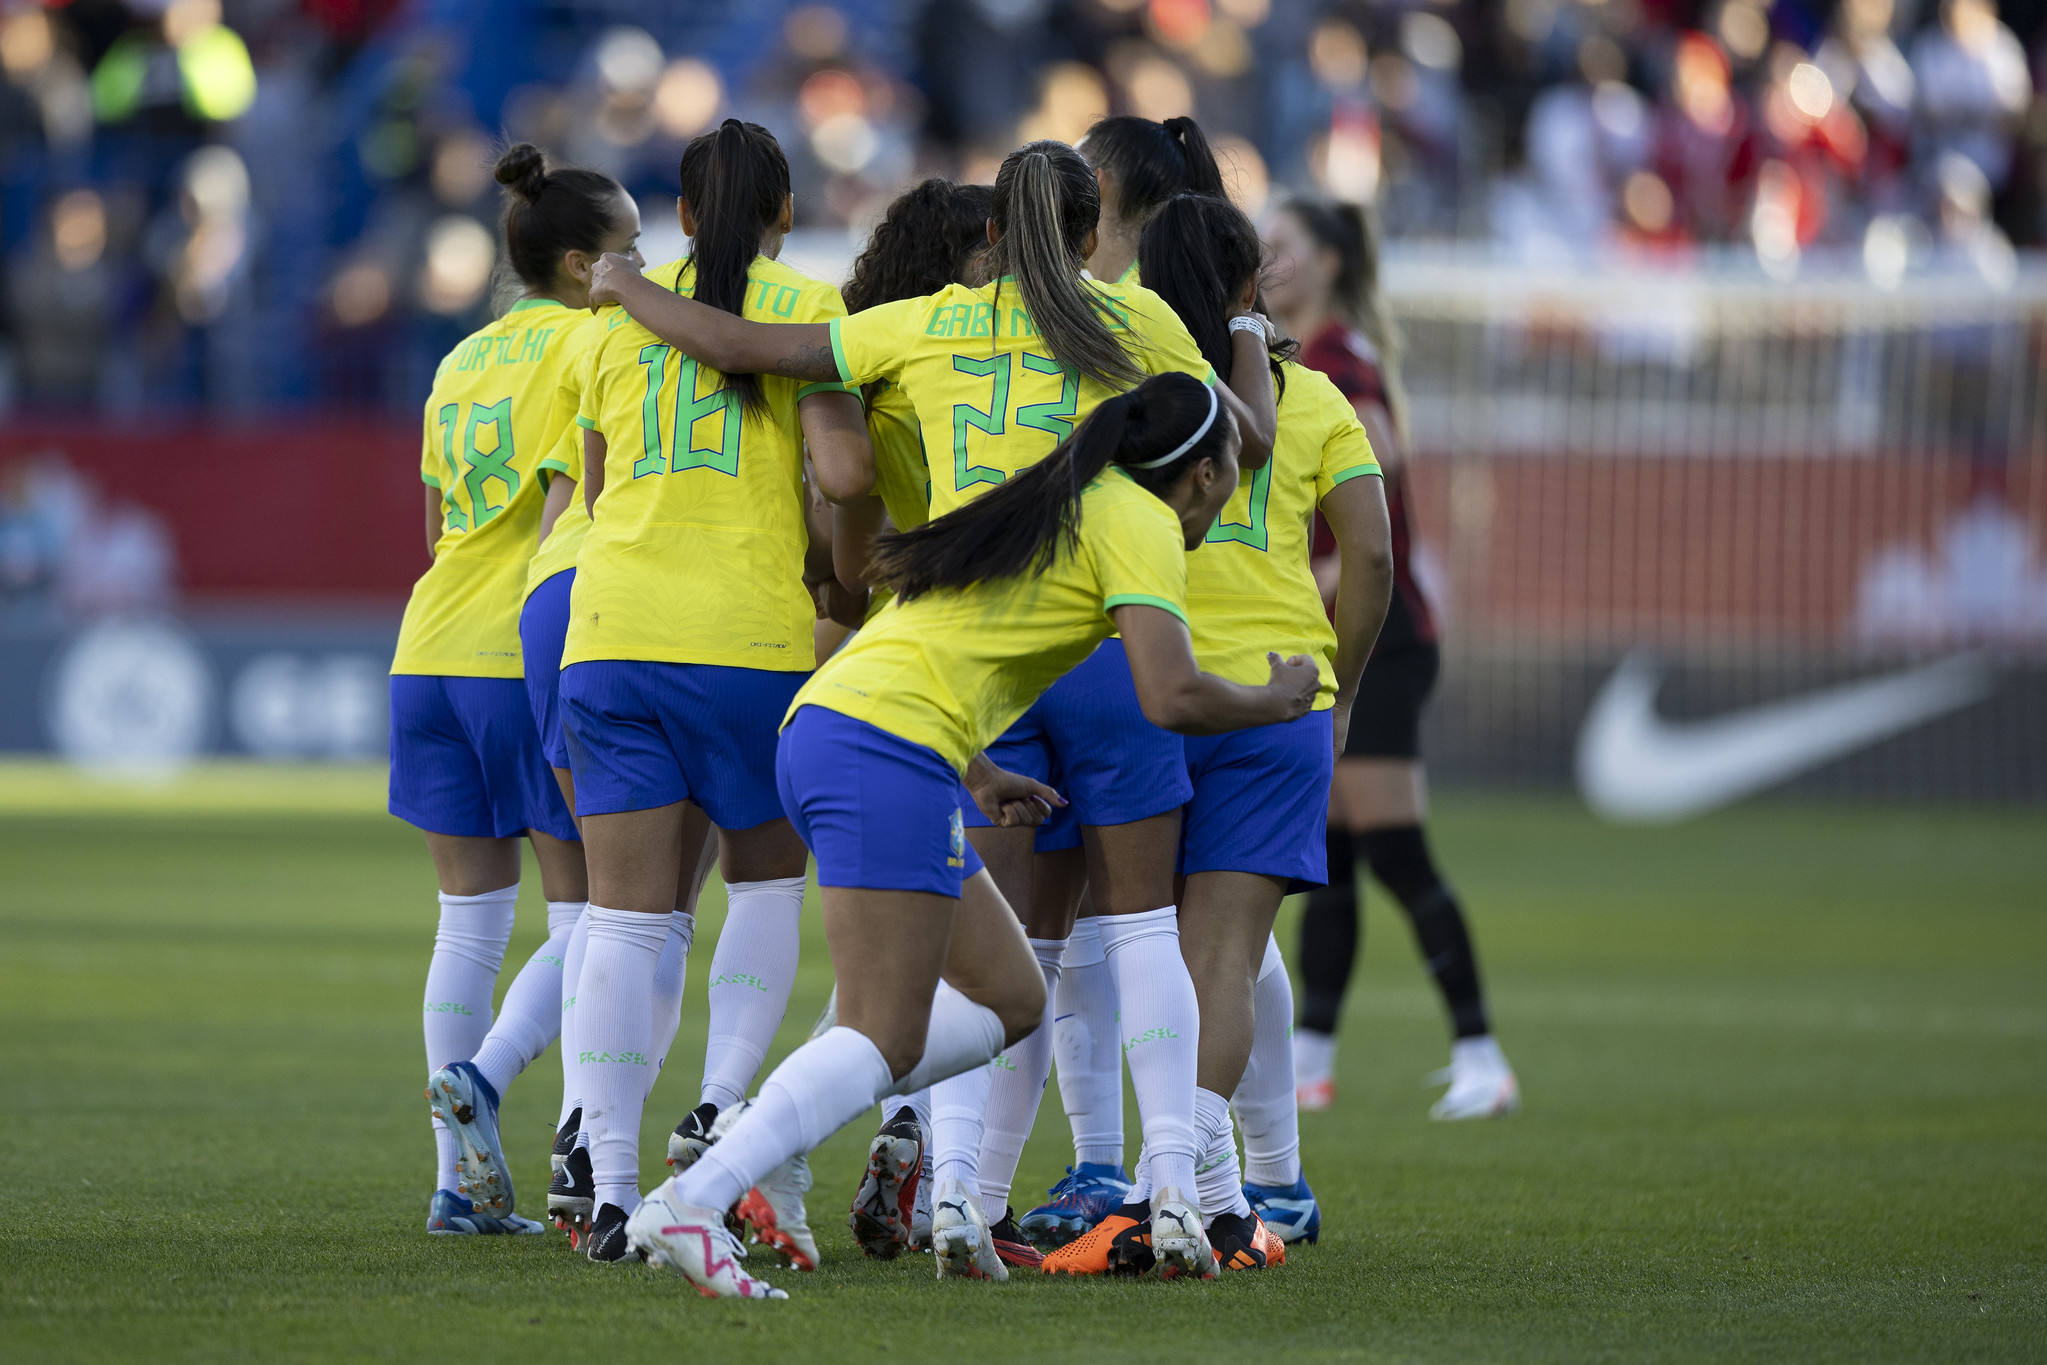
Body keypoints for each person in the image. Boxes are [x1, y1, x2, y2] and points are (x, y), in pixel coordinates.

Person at [588, 138, 1279, 1276]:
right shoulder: (1132, 389)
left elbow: (747, 348)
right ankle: (1176, 1187)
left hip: (923, 672)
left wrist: (628, 288)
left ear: (995, 234)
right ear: (1092, 234)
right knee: (1123, 930)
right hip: (1049, 661)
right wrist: (1246, 335)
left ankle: (937, 1180)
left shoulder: (919, 327)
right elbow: (1239, 443)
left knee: (1009, 991)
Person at [1039, 192, 1391, 1274]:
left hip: (1143, 682)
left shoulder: (1120, 386)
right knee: (1226, 959)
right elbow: (1372, 561)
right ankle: (1188, 1190)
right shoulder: (1316, 395)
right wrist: (1341, 694)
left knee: (1114, 947)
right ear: (1248, 289)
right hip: (1278, 695)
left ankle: (1120, 1176)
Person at [556, 119, 873, 1264]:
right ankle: (724, 1100)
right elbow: (840, 479)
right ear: (785, 211)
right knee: (766, 888)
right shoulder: (811, 304)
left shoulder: (607, 325)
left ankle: (610, 1187)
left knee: (623, 923)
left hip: (612, 631)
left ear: (682, 217)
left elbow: (594, 495)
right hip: (747, 639)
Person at [392, 144, 633, 1236]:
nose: (645, 267)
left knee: (468, 921)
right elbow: (563, 513)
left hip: (426, 650)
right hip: (516, 653)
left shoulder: (462, 359)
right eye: (628, 249)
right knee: (596, 909)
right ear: (583, 265)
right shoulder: (590, 341)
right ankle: (520, 1102)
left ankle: (457, 1184)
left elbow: (439, 528)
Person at [1263, 197, 1519, 1121]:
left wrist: (1295, 574)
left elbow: (1374, 509)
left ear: (1329, 262)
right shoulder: (1312, 361)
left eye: (1281, 245)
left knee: (1396, 849)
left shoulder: (1333, 369)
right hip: (1340, 636)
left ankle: (1481, 1052)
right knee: (1329, 849)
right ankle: (1313, 1056)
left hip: (1378, 637)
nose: (1265, 258)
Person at [818, 176, 997, 1257]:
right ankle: (915, 1157)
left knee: (889, 930)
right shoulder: (979, 360)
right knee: (970, 950)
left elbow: (841, 554)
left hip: (861, 655)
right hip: (962, 662)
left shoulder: (863, 364)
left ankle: (893, 1135)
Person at [1077, 114, 1227, 284]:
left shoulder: (1107, 306)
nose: (1052, 188)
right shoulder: (1174, 289)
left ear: (1094, 184)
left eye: (1068, 173)